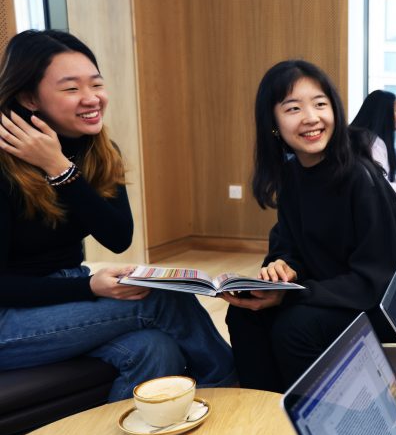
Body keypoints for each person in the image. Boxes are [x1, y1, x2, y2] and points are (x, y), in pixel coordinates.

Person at [0, 29, 234, 400]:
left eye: (96, 84)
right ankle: (233, 388)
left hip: (63, 293)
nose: (92, 98)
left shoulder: (96, 151)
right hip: (8, 319)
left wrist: (60, 169)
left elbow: (117, 236)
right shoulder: (3, 166)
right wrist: (88, 286)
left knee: (157, 350)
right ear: (30, 97)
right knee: (162, 298)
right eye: (71, 88)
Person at [223, 60, 396, 392]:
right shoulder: (293, 175)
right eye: (293, 108)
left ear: (335, 111)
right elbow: (288, 244)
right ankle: (266, 410)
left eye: (320, 104)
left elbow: (380, 278)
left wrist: (293, 297)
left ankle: (316, 426)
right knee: (244, 316)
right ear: (273, 123)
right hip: (343, 288)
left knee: (295, 326)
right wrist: (282, 269)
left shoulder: (359, 175)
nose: (311, 117)